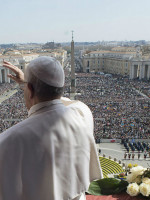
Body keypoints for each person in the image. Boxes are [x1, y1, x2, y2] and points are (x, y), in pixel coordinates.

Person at [0, 57, 103, 200]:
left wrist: (28, 83)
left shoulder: (8, 141)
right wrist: (28, 83)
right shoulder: (82, 114)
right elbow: (65, 102)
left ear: (29, 90)